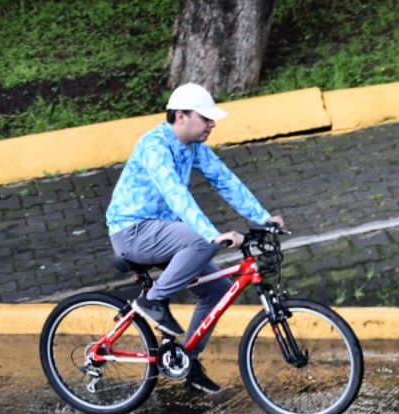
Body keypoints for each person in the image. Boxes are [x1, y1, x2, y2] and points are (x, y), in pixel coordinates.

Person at [103, 83, 282, 394]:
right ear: (181, 116)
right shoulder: (155, 145)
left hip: (164, 233)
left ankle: (187, 360)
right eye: (205, 118)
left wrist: (264, 217)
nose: (212, 124)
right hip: (133, 231)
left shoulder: (194, 147)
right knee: (201, 241)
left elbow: (225, 180)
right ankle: (153, 300)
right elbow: (176, 194)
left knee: (217, 291)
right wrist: (212, 235)